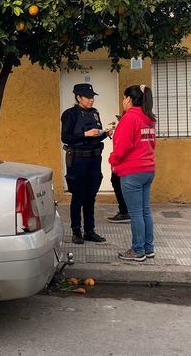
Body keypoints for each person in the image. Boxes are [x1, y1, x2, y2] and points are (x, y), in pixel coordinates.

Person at [110, 85, 156, 262]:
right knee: (145, 211)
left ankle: (138, 250)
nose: (123, 101)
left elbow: (122, 147)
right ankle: (148, 248)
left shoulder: (129, 118)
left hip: (132, 171)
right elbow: (152, 144)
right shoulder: (148, 118)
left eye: (124, 98)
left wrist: (113, 161)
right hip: (147, 169)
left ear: (128, 99)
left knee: (136, 213)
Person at [61, 83, 111, 244]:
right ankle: (76, 231)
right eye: (88, 97)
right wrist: (85, 134)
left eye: (92, 97)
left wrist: (105, 133)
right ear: (78, 98)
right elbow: (66, 138)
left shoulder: (95, 113)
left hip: (94, 159)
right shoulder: (70, 114)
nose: (91, 100)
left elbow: (95, 135)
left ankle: (90, 230)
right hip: (78, 160)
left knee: (91, 196)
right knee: (78, 196)